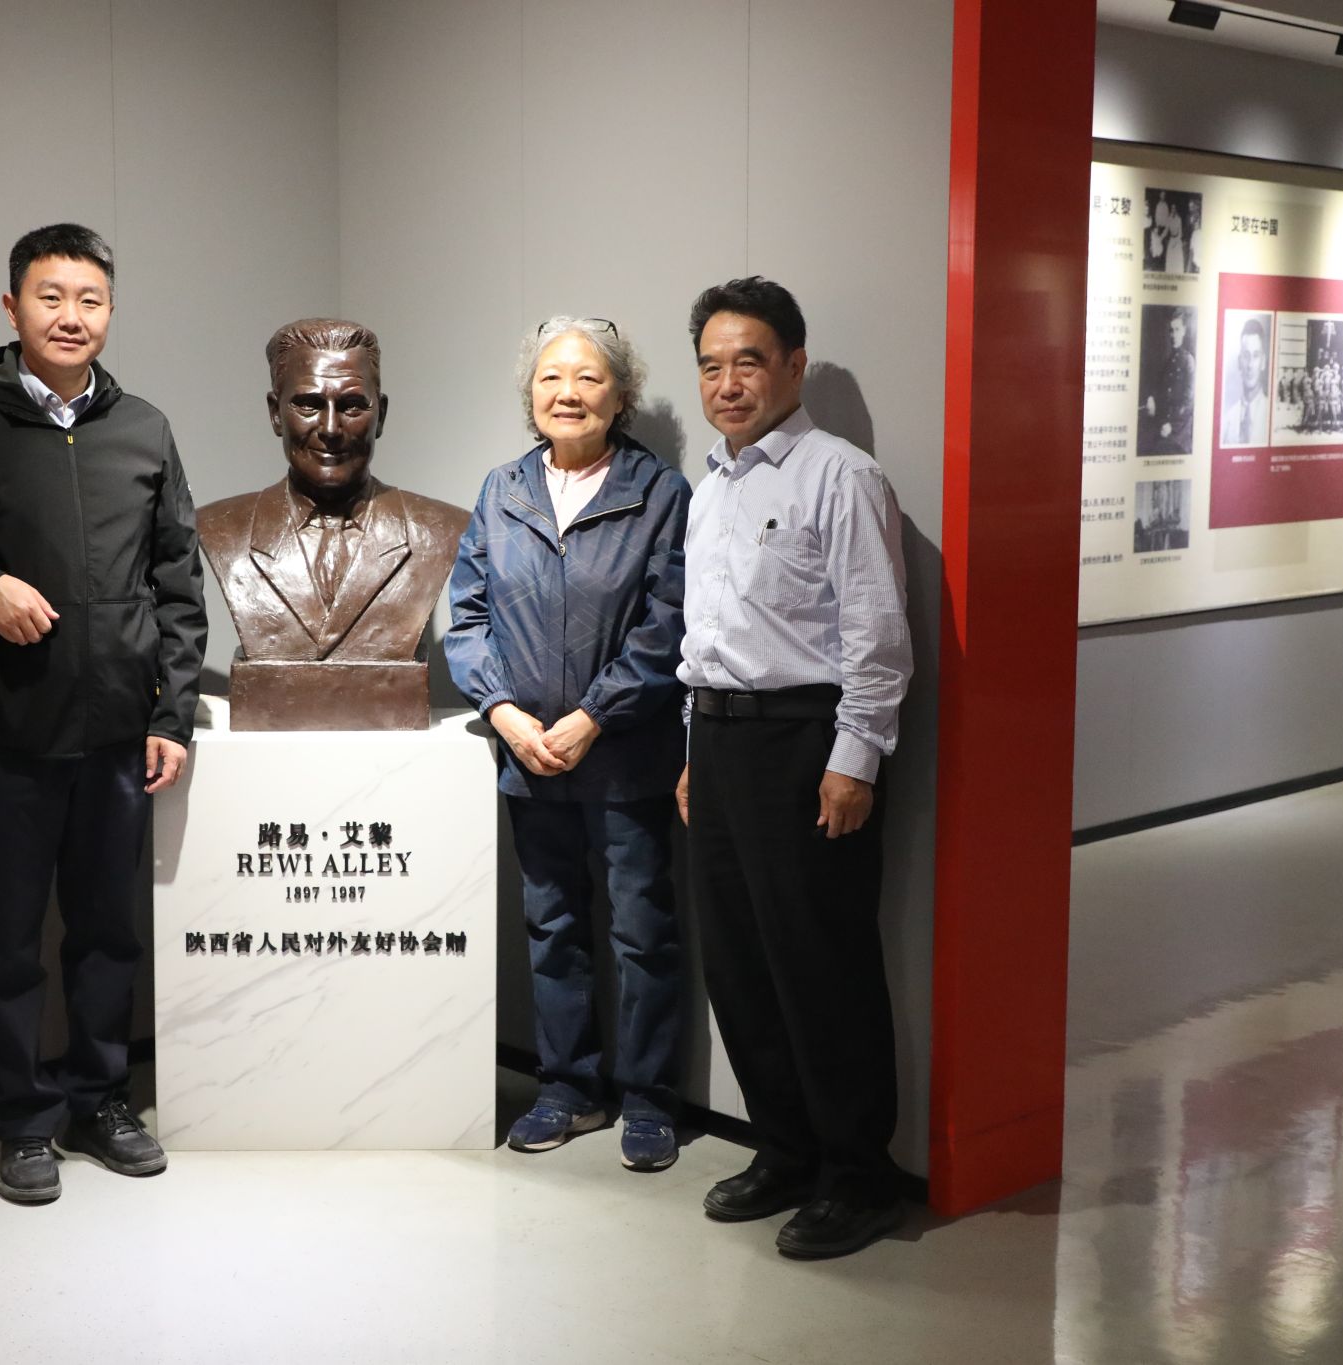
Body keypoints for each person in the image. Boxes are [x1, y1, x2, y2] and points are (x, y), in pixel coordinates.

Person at [0, 223, 207, 1204]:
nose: (71, 316)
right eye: (51, 297)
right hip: (2, 731)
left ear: (111, 311)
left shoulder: (143, 427)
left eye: (89, 299)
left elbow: (178, 580)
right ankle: (23, 1120)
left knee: (106, 934)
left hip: (117, 734)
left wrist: (171, 716)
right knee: (8, 941)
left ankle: (101, 1102)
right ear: (12, 307)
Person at [673, 278, 913, 1259]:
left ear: (793, 365)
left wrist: (855, 759)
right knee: (738, 962)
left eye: (749, 362)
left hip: (805, 744)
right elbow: (704, 636)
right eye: (710, 366)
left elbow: (876, 635)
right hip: (718, 742)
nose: (728, 384)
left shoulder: (839, 476)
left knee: (822, 964)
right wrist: (693, 747)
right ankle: (784, 1149)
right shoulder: (709, 489)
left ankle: (858, 1175)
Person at [445, 317, 693, 1171]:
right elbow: (466, 616)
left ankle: (650, 1099)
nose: (568, 392)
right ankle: (568, 1087)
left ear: (621, 396)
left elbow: (669, 623)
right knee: (551, 925)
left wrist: (593, 715)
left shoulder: (659, 493)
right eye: (551, 377)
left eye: (589, 377)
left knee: (642, 931)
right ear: (531, 395)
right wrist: (504, 713)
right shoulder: (502, 490)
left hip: (625, 755)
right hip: (530, 758)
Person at [195, 319, 469, 729]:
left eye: (352, 406)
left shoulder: (442, 529)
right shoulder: (220, 528)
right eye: (308, 404)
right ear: (275, 414)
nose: (329, 429)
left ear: (381, 415)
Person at [1140, 310, 1195, 454]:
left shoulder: (1188, 362)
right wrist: (1152, 399)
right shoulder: (1169, 362)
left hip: (1180, 436)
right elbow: (1162, 394)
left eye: (1177, 330)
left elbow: (1189, 403)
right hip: (1164, 429)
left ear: (1184, 331)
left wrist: (1172, 425)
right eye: (1171, 331)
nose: (1173, 335)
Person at [1221, 317, 1270, 447]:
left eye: (1256, 356)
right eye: (1246, 356)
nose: (1250, 365)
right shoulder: (1228, 420)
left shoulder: (1270, 412)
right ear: (1239, 362)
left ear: (1263, 362)